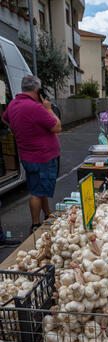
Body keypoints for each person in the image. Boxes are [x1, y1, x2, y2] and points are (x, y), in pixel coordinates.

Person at [1, 75, 61, 233]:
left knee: (39, 187)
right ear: (37, 89)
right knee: (36, 192)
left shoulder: (13, 104)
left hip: (27, 156)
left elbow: (5, 119)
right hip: (42, 157)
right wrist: (48, 108)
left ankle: (47, 214)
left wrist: (20, 128)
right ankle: (35, 224)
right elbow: (57, 127)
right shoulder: (36, 107)